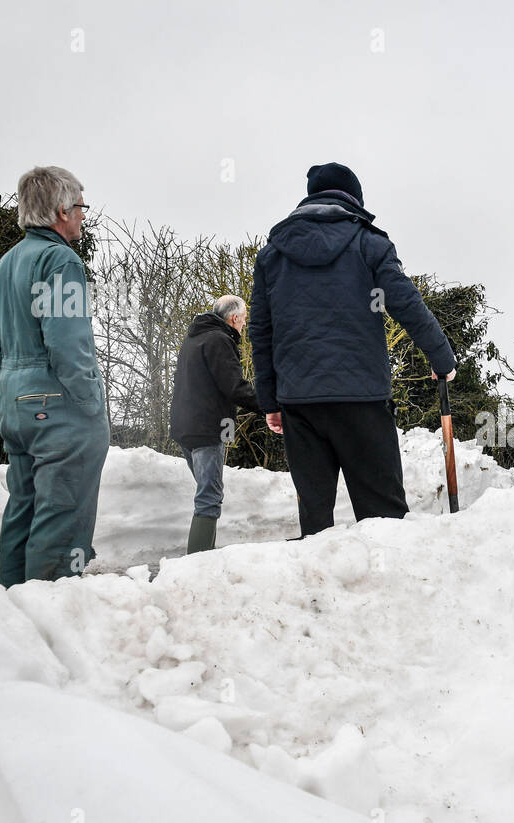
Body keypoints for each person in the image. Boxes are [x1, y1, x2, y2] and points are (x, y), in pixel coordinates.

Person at [249, 162, 456, 538]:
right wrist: (441, 359)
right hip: (362, 400)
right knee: (385, 520)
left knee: (315, 523)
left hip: (300, 402)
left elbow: (260, 332)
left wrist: (270, 402)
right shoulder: (369, 243)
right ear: (353, 200)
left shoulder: (271, 257)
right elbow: (407, 304)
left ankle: (319, 595)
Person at [0, 165, 109, 587]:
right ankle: (51, 604)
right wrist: (90, 402)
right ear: (61, 210)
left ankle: (13, 601)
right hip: (56, 406)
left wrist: (19, 382)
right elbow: (67, 342)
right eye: (79, 206)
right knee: (64, 508)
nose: (83, 215)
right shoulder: (59, 259)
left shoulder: (7, 263)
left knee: (25, 503)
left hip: (14, 402)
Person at [169, 295, 262, 552]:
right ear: (234, 318)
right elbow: (234, 387)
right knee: (209, 497)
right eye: (243, 319)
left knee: (207, 493)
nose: (244, 325)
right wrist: (270, 405)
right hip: (207, 428)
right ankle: (198, 563)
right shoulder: (220, 340)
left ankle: (202, 559)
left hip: (185, 427)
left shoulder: (194, 338)